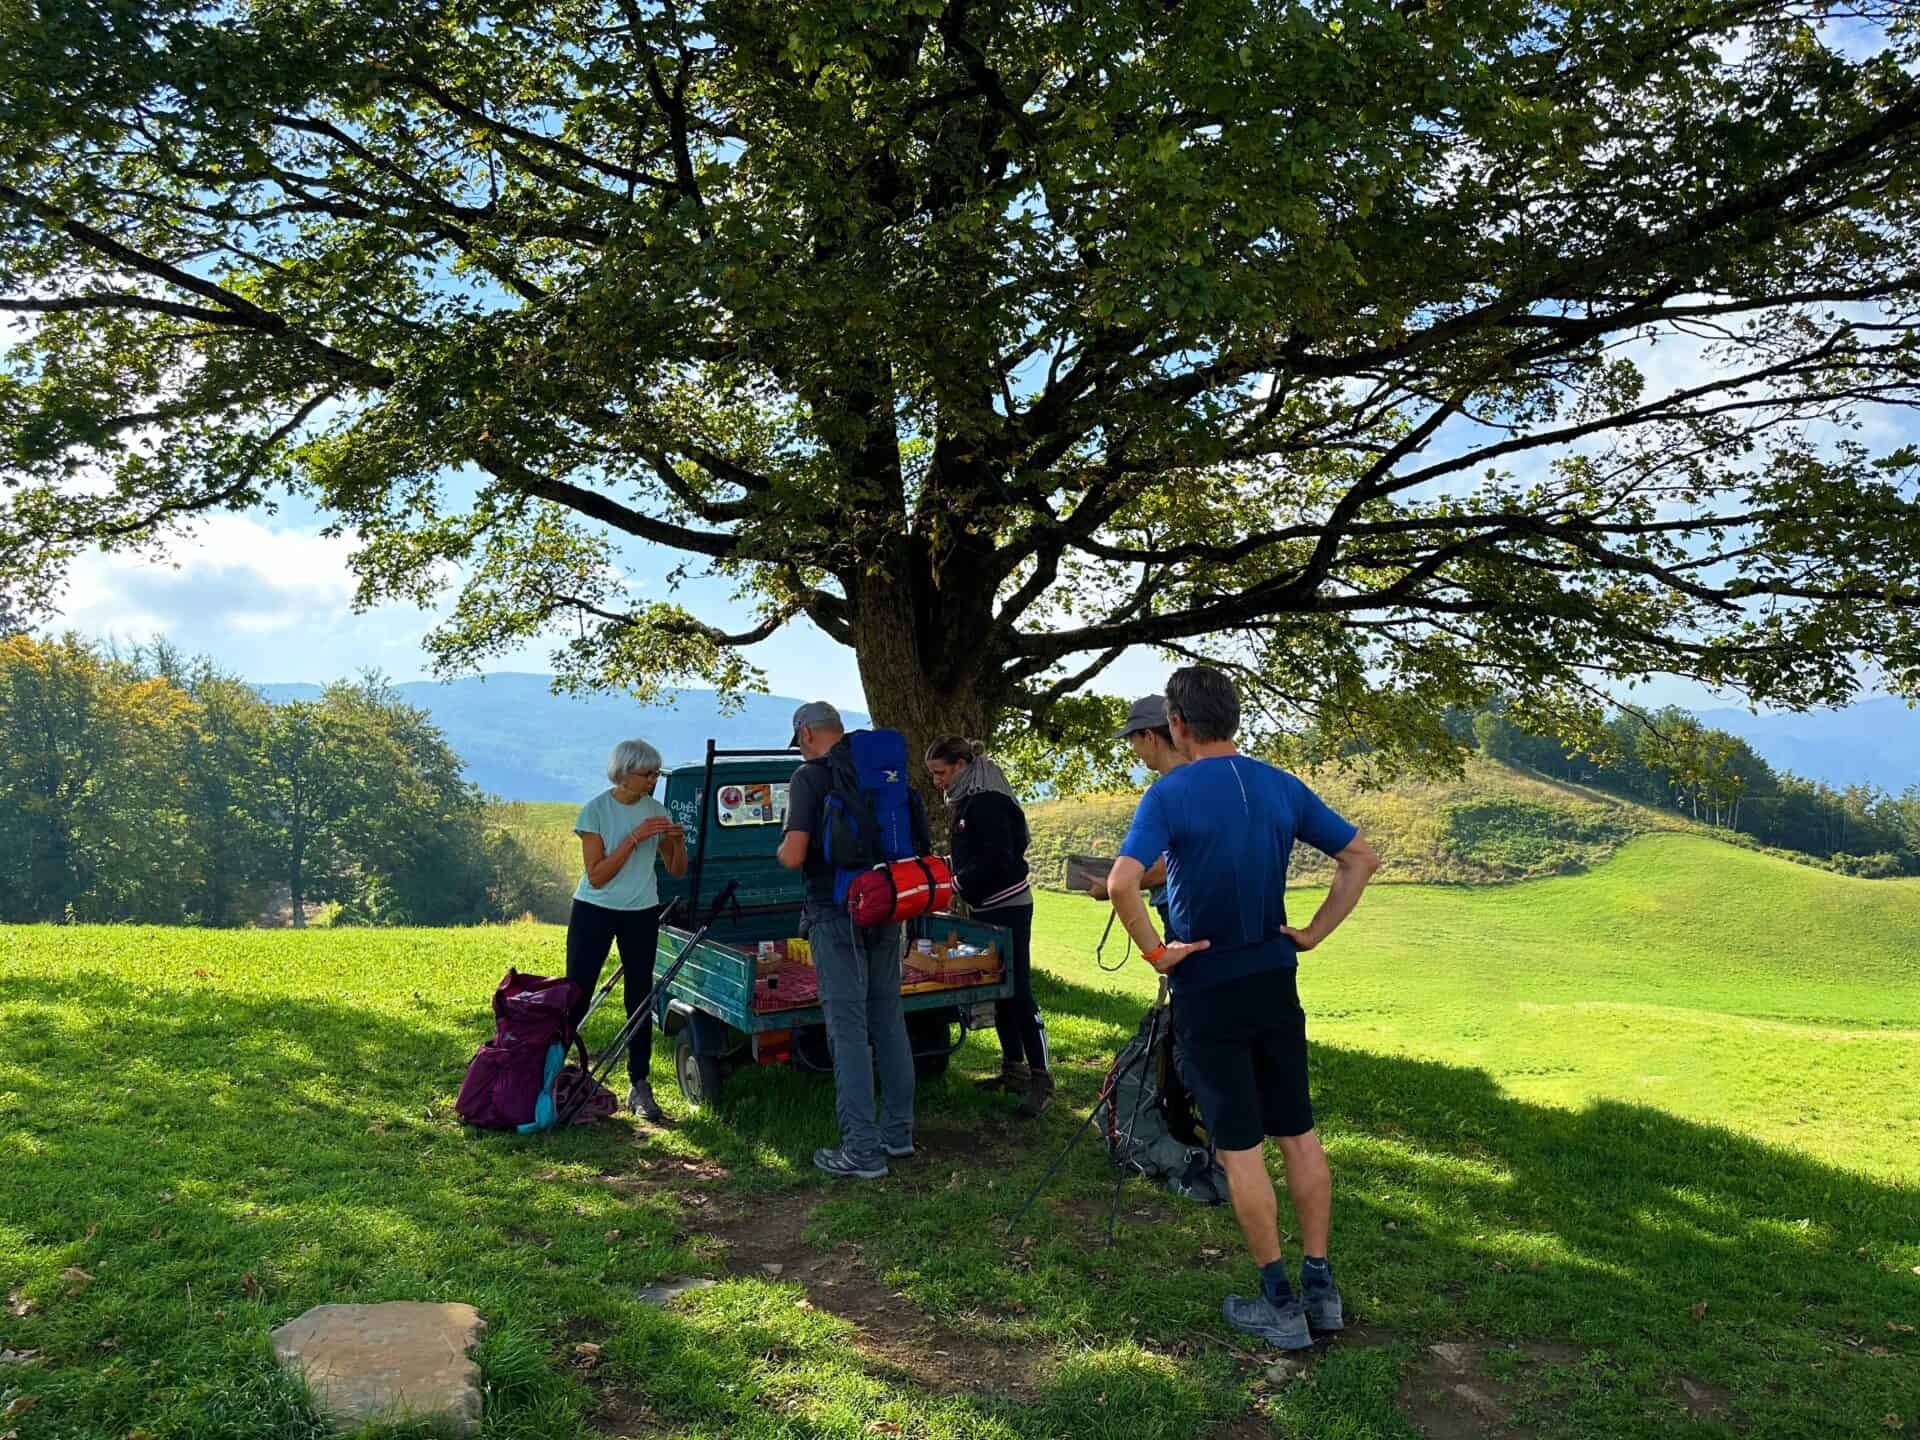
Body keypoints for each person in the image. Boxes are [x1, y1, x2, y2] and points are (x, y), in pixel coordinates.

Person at [1105, 667, 1380, 1352]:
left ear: (1177, 726)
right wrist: (1312, 933)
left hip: (1209, 987)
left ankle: (1279, 1302)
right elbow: (1360, 858)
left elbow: (1120, 882)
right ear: (1233, 718)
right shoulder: (1280, 784)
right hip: (1274, 981)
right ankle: (1322, 1289)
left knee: (1239, 1147)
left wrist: (1157, 952)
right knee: (1299, 1135)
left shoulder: (1169, 793)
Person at [777, 701, 923, 1180]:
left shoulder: (809, 778)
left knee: (848, 1029)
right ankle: (898, 1135)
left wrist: (780, 846)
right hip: (886, 903)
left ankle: (861, 1151)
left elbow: (794, 855)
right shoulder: (880, 768)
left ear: (805, 733)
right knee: (888, 1019)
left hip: (833, 911)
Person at [924, 737, 1051, 1117]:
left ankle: (1042, 1080)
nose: (936, 781)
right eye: (932, 774)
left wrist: (957, 885)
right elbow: (972, 853)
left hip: (1008, 907)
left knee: (1019, 992)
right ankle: (1013, 1069)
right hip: (983, 907)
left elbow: (998, 858)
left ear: (963, 765)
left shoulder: (989, 801)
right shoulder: (967, 799)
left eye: (940, 773)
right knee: (997, 988)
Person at [568, 739, 687, 1122]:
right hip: (594, 910)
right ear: (623, 773)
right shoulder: (596, 811)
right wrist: (634, 839)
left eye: (656, 773)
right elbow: (598, 876)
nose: (653, 780)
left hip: (641, 911)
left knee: (640, 998)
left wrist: (677, 842)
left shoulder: (657, 810)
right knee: (578, 993)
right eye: (646, 774)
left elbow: (677, 870)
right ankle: (554, 1071)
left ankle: (640, 1084)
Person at [1087, 695, 1185, 932]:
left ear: (1149, 736)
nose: (1134, 751)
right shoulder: (1207, 778)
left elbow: (1170, 865)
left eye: (1133, 740)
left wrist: (1113, 884)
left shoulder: (1167, 792)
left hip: (1182, 913)